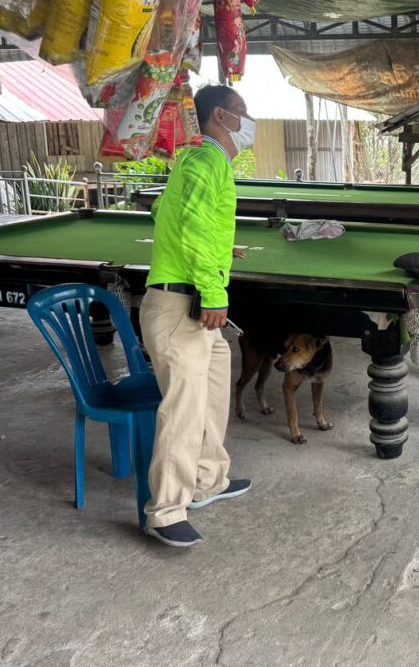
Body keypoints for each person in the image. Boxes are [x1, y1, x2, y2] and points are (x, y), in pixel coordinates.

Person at [140, 85, 256, 548]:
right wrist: (212, 289)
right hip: (179, 306)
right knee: (183, 410)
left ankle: (208, 480)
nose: (249, 122)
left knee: (213, 389)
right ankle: (166, 511)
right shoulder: (206, 160)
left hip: (187, 306)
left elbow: (162, 212)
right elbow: (190, 224)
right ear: (220, 117)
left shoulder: (197, 159)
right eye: (243, 113)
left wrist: (220, 249)